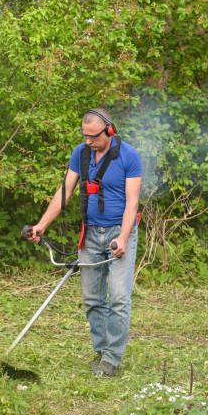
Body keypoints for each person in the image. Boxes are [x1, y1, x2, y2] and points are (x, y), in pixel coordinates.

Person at [27, 108, 142, 377]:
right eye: (85, 136)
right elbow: (64, 192)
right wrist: (41, 225)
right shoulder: (80, 153)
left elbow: (132, 203)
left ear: (109, 131)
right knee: (92, 298)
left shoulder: (129, 156)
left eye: (94, 137)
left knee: (118, 298)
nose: (88, 141)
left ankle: (112, 359)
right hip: (90, 234)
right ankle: (102, 351)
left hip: (119, 232)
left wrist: (123, 238)